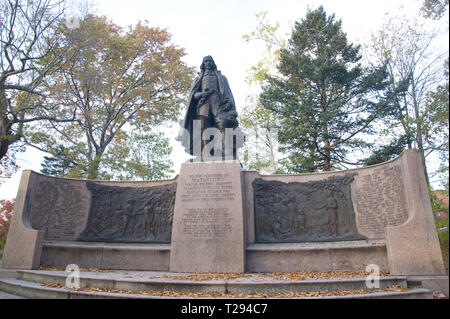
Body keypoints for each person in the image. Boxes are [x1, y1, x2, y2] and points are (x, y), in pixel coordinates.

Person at [177, 55, 240, 159]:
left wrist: (231, 108)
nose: (208, 63)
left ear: (213, 62)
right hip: (203, 105)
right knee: (202, 127)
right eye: (206, 61)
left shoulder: (221, 77)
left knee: (223, 123)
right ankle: (205, 153)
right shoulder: (199, 78)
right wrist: (202, 94)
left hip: (218, 104)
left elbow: (227, 93)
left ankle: (225, 150)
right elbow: (194, 94)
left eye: (209, 61)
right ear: (203, 63)